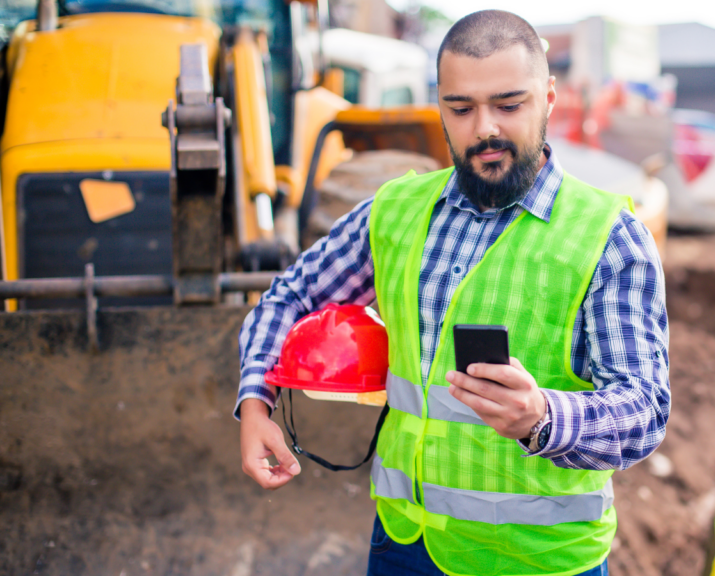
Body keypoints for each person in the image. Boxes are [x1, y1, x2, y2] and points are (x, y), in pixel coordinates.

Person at [235, 9, 670, 576]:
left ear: (549, 97)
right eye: (460, 109)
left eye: (509, 105)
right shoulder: (396, 211)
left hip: (540, 562)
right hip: (403, 547)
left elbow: (644, 408)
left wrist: (542, 416)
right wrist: (254, 401)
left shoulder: (607, 236)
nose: (484, 128)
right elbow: (290, 295)